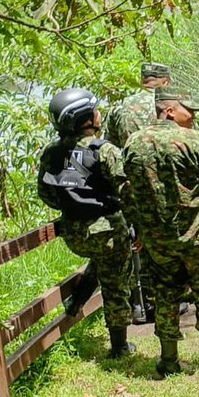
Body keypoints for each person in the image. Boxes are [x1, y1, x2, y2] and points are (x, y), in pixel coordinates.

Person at [122, 88, 199, 378]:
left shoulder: (132, 144)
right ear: (169, 111)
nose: (193, 115)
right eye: (188, 110)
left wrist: (141, 228)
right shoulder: (191, 140)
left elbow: (128, 190)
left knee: (165, 295)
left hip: (158, 240)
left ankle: (169, 360)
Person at [37, 88, 134, 359]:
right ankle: (120, 346)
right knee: (116, 285)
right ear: (86, 118)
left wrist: (73, 206)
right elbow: (128, 191)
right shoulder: (104, 150)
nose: (100, 113)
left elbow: (45, 193)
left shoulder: (51, 152)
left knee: (101, 260)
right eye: (95, 110)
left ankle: (76, 302)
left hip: (72, 233)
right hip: (107, 232)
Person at [105, 62, 172, 323]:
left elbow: (109, 148)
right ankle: (163, 302)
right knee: (161, 243)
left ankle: (136, 304)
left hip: (129, 187)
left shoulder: (119, 107)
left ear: (143, 79)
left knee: (133, 243)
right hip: (161, 186)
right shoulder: (168, 105)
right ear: (165, 82)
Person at [106, 63, 171, 148]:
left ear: (142, 81)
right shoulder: (171, 106)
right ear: (166, 83)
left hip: (128, 159)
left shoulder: (119, 105)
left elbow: (110, 144)